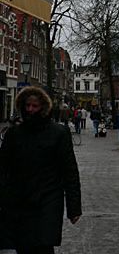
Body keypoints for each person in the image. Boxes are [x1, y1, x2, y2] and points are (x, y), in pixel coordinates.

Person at [0, 86, 82, 253]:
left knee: (43, 244)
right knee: (23, 245)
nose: (30, 110)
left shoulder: (59, 133)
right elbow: (3, 168)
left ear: (43, 107)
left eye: (35, 106)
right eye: (27, 105)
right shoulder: (14, 134)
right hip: (20, 200)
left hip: (48, 199)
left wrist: (74, 207)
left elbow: (69, 171)